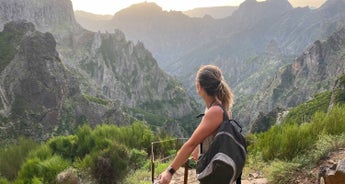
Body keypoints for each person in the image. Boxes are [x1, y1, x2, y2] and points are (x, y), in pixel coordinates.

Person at [157, 64, 234, 184]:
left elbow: (190, 144)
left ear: (199, 87)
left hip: (214, 175)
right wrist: (199, 147)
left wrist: (169, 172)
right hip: (219, 171)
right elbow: (213, 135)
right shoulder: (221, 107)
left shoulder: (215, 111)